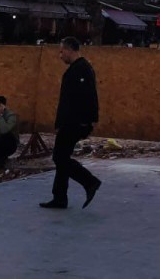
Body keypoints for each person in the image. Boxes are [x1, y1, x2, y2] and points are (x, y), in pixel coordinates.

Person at [40, 37, 101, 210]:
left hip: (75, 122)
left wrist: (87, 121)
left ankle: (89, 181)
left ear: (70, 50)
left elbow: (87, 97)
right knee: (62, 158)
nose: (60, 56)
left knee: (59, 157)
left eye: (62, 51)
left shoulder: (81, 69)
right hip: (71, 121)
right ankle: (59, 198)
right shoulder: (77, 69)